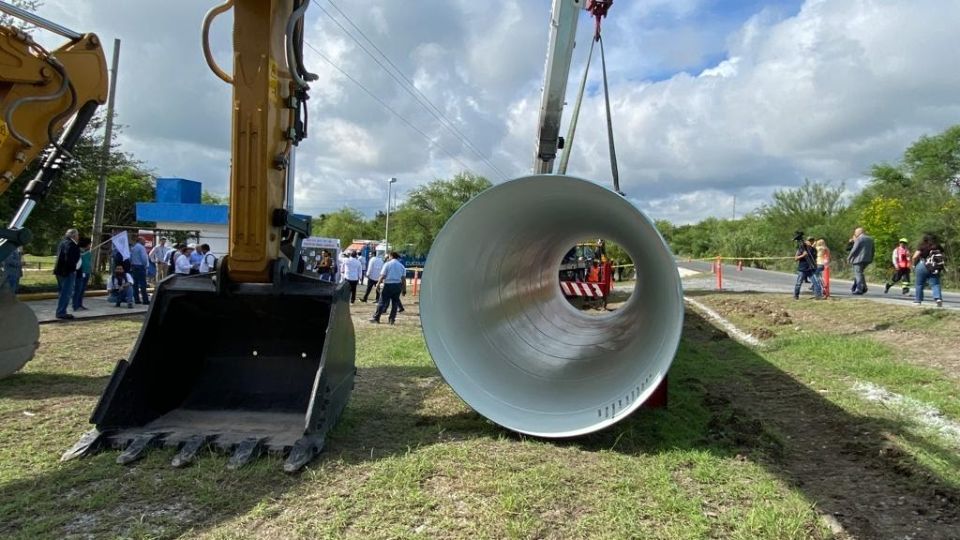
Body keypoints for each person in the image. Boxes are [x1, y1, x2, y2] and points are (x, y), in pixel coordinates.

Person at [370, 251, 405, 324]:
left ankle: (376, 318)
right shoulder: (401, 266)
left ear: (391, 256)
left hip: (388, 285)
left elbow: (382, 275)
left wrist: (378, 284)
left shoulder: (387, 264)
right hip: (397, 285)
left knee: (382, 302)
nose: (388, 258)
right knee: (395, 303)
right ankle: (392, 319)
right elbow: (403, 279)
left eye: (388, 256)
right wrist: (404, 289)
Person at [53, 229, 81, 319]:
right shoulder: (72, 245)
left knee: (62, 292)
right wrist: (74, 268)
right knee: (66, 293)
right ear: (73, 236)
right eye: (77, 235)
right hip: (67, 272)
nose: (78, 237)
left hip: (59, 271)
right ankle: (61, 312)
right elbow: (69, 259)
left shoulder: (63, 243)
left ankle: (61, 311)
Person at [912, 233, 945, 308]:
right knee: (935, 284)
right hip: (934, 267)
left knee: (919, 284)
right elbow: (942, 256)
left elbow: (914, 257)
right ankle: (938, 299)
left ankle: (918, 300)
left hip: (922, 265)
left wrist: (914, 265)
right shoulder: (938, 246)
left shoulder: (922, 246)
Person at [846, 227, 874, 295]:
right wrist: (871, 258)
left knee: (858, 274)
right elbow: (873, 250)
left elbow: (854, 249)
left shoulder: (859, 239)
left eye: (855, 232)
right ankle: (864, 287)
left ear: (859, 232)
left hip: (858, 259)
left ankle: (859, 289)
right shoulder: (870, 239)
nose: (855, 234)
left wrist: (849, 257)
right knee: (860, 273)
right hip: (867, 259)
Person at [72, 237, 93, 311]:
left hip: (87, 272)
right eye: (89, 243)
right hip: (80, 272)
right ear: (86, 244)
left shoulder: (88, 252)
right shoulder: (78, 251)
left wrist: (90, 270)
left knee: (83, 290)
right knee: (78, 289)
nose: (90, 245)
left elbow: (90, 261)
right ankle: (75, 305)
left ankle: (80, 304)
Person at [129, 236, 150, 305]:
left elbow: (130, 257)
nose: (145, 242)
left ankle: (137, 299)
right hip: (140, 266)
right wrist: (145, 265)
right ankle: (145, 300)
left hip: (134, 266)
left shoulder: (134, 247)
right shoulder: (141, 247)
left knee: (135, 284)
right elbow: (144, 258)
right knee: (143, 284)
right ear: (140, 240)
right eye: (144, 240)